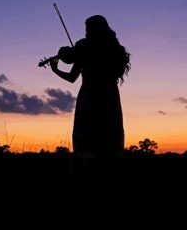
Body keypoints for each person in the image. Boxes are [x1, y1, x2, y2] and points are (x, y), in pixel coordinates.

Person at [49, 15, 130, 161]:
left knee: (86, 132)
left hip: (89, 96)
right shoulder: (115, 48)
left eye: (88, 28)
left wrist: (56, 70)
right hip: (110, 96)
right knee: (109, 131)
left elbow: (72, 78)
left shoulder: (84, 46)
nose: (86, 32)